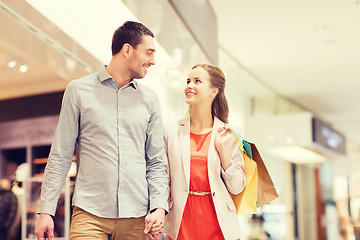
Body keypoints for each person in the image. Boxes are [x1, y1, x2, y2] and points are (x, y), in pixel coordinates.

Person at [34, 21, 168, 240]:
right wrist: (46, 210)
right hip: (89, 216)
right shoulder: (78, 90)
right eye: (149, 52)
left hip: (137, 218)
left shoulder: (150, 100)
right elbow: (61, 155)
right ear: (127, 50)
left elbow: (156, 161)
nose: (152, 61)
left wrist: (159, 207)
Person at [163, 64, 246, 240]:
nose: (189, 86)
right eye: (188, 81)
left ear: (213, 91)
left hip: (220, 226)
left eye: (197, 81)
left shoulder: (230, 133)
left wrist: (223, 151)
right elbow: (163, 178)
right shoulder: (170, 131)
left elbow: (237, 187)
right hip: (182, 222)